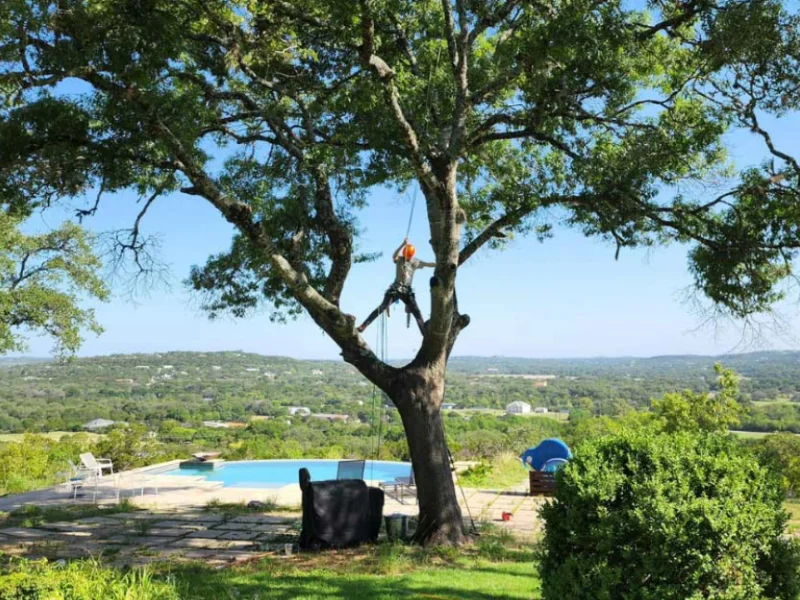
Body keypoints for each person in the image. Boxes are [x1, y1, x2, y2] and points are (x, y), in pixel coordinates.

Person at [358, 238, 435, 334]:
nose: (407, 258)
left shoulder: (415, 262)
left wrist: (439, 264)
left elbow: (428, 264)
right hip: (395, 290)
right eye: (406, 256)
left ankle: (425, 334)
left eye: (409, 257)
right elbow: (394, 256)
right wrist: (403, 244)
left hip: (407, 292)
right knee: (382, 307)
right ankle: (363, 326)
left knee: (417, 313)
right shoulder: (400, 260)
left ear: (412, 256)